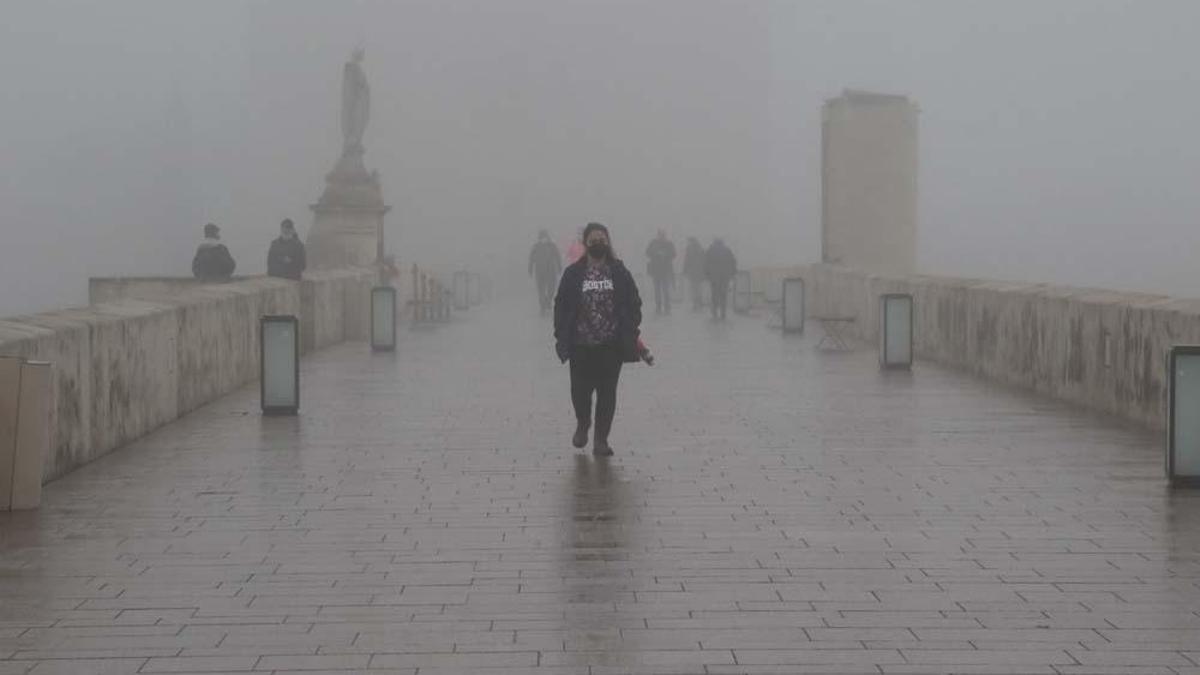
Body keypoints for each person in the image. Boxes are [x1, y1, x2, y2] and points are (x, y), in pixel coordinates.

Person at [553, 223, 643, 457]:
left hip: (610, 346)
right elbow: (561, 304)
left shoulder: (619, 272)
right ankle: (583, 423)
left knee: (607, 393)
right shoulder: (574, 273)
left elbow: (634, 302)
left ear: (608, 242)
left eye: (602, 238)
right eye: (593, 239)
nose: (598, 242)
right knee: (580, 392)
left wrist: (630, 329)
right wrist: (560, 332)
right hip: (581, 345)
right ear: (586, 243)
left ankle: (601, 439)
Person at [528, 229, 563, 314]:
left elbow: (557, 256)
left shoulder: (552, 246)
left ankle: (547, 301)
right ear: (539, 238)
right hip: (539, 272)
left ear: (547, 237)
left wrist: (559, 267)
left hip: (551, 271)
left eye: (545, 237)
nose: (543, 239)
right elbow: (531, 259)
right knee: (541, 290)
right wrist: (530, 269)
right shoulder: (536, 247)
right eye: (542, 237)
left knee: (551, 289)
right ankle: (542, 307)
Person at [644, 229, 676, 315]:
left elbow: (673, 254)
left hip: (664, 270)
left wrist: (665, 254)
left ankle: (666, 306)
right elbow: (647, 252)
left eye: (663, 235)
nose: (662, 236)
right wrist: (656, 253)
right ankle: (659, 306)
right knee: (658, 290)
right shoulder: (654, 243)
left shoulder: (668, 244)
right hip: (657, 270)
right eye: (660, 235)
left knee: (665, 289)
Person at [705, 237, 737, 320]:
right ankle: (723, 313)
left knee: (714, 295)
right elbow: (733, 262)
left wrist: (706, 274)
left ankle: (715, 313)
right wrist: (733, 274)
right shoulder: (727, 250)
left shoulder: (710, 250)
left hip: (714, 277)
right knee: (723, 295)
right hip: (725, 277)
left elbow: (705, 263)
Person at [682, 236, 707, 311]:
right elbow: (704, 260)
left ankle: (695, 304)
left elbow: (687, 260)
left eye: (689, 241)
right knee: (698, 288)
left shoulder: (689, 249)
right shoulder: (701, 248)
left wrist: (685, 270)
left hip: (692, 271)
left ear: (691, 241)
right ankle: (699, 302)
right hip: (699, 272)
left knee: (694, 288)